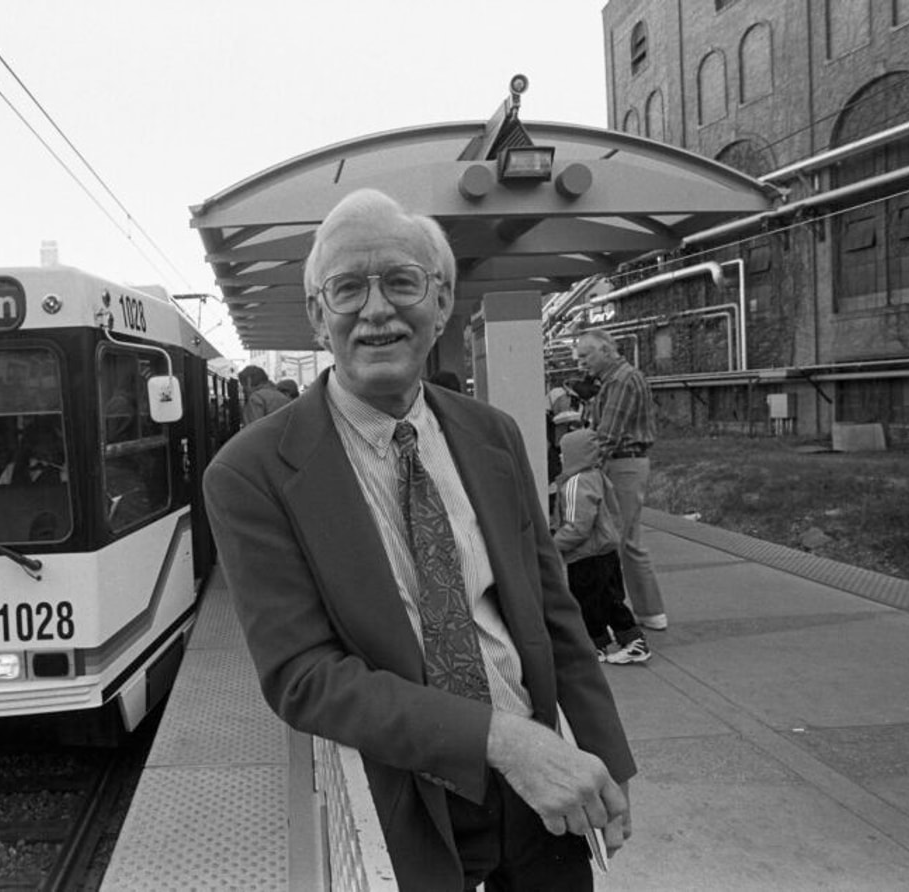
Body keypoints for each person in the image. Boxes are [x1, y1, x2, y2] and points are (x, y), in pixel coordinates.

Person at [204, 189, 635, 891]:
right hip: (410, 798)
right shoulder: (252, 475)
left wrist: (605, 760)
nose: (376, 310)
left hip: (541, 802)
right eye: (347, 289)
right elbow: (303, 677)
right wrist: (499, 740)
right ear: (319, 317)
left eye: (402, 281)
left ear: (441, 304)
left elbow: (554, 612)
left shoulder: (492, 435)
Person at [572, 330, 668, 631]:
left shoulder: (622, 380)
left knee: (616, 540)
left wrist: (577, 469)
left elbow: (607, 436)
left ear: (604, 350)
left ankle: (635, 612)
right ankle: (648, 610)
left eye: (585, 357)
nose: (581, 364)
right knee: (626, 540)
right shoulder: (616, 380)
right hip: (624, 463)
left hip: (622, 464)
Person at [552, 429, 650, 665]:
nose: (561, 458)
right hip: (605, 551)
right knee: (605, 599)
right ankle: (598, 644)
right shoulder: (596, 476)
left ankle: (628, 641)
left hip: (586, 555)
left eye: (564, 453)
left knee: (590, 602)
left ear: (576, 454)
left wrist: (553, 544)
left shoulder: (576, 482)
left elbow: (578, 526)